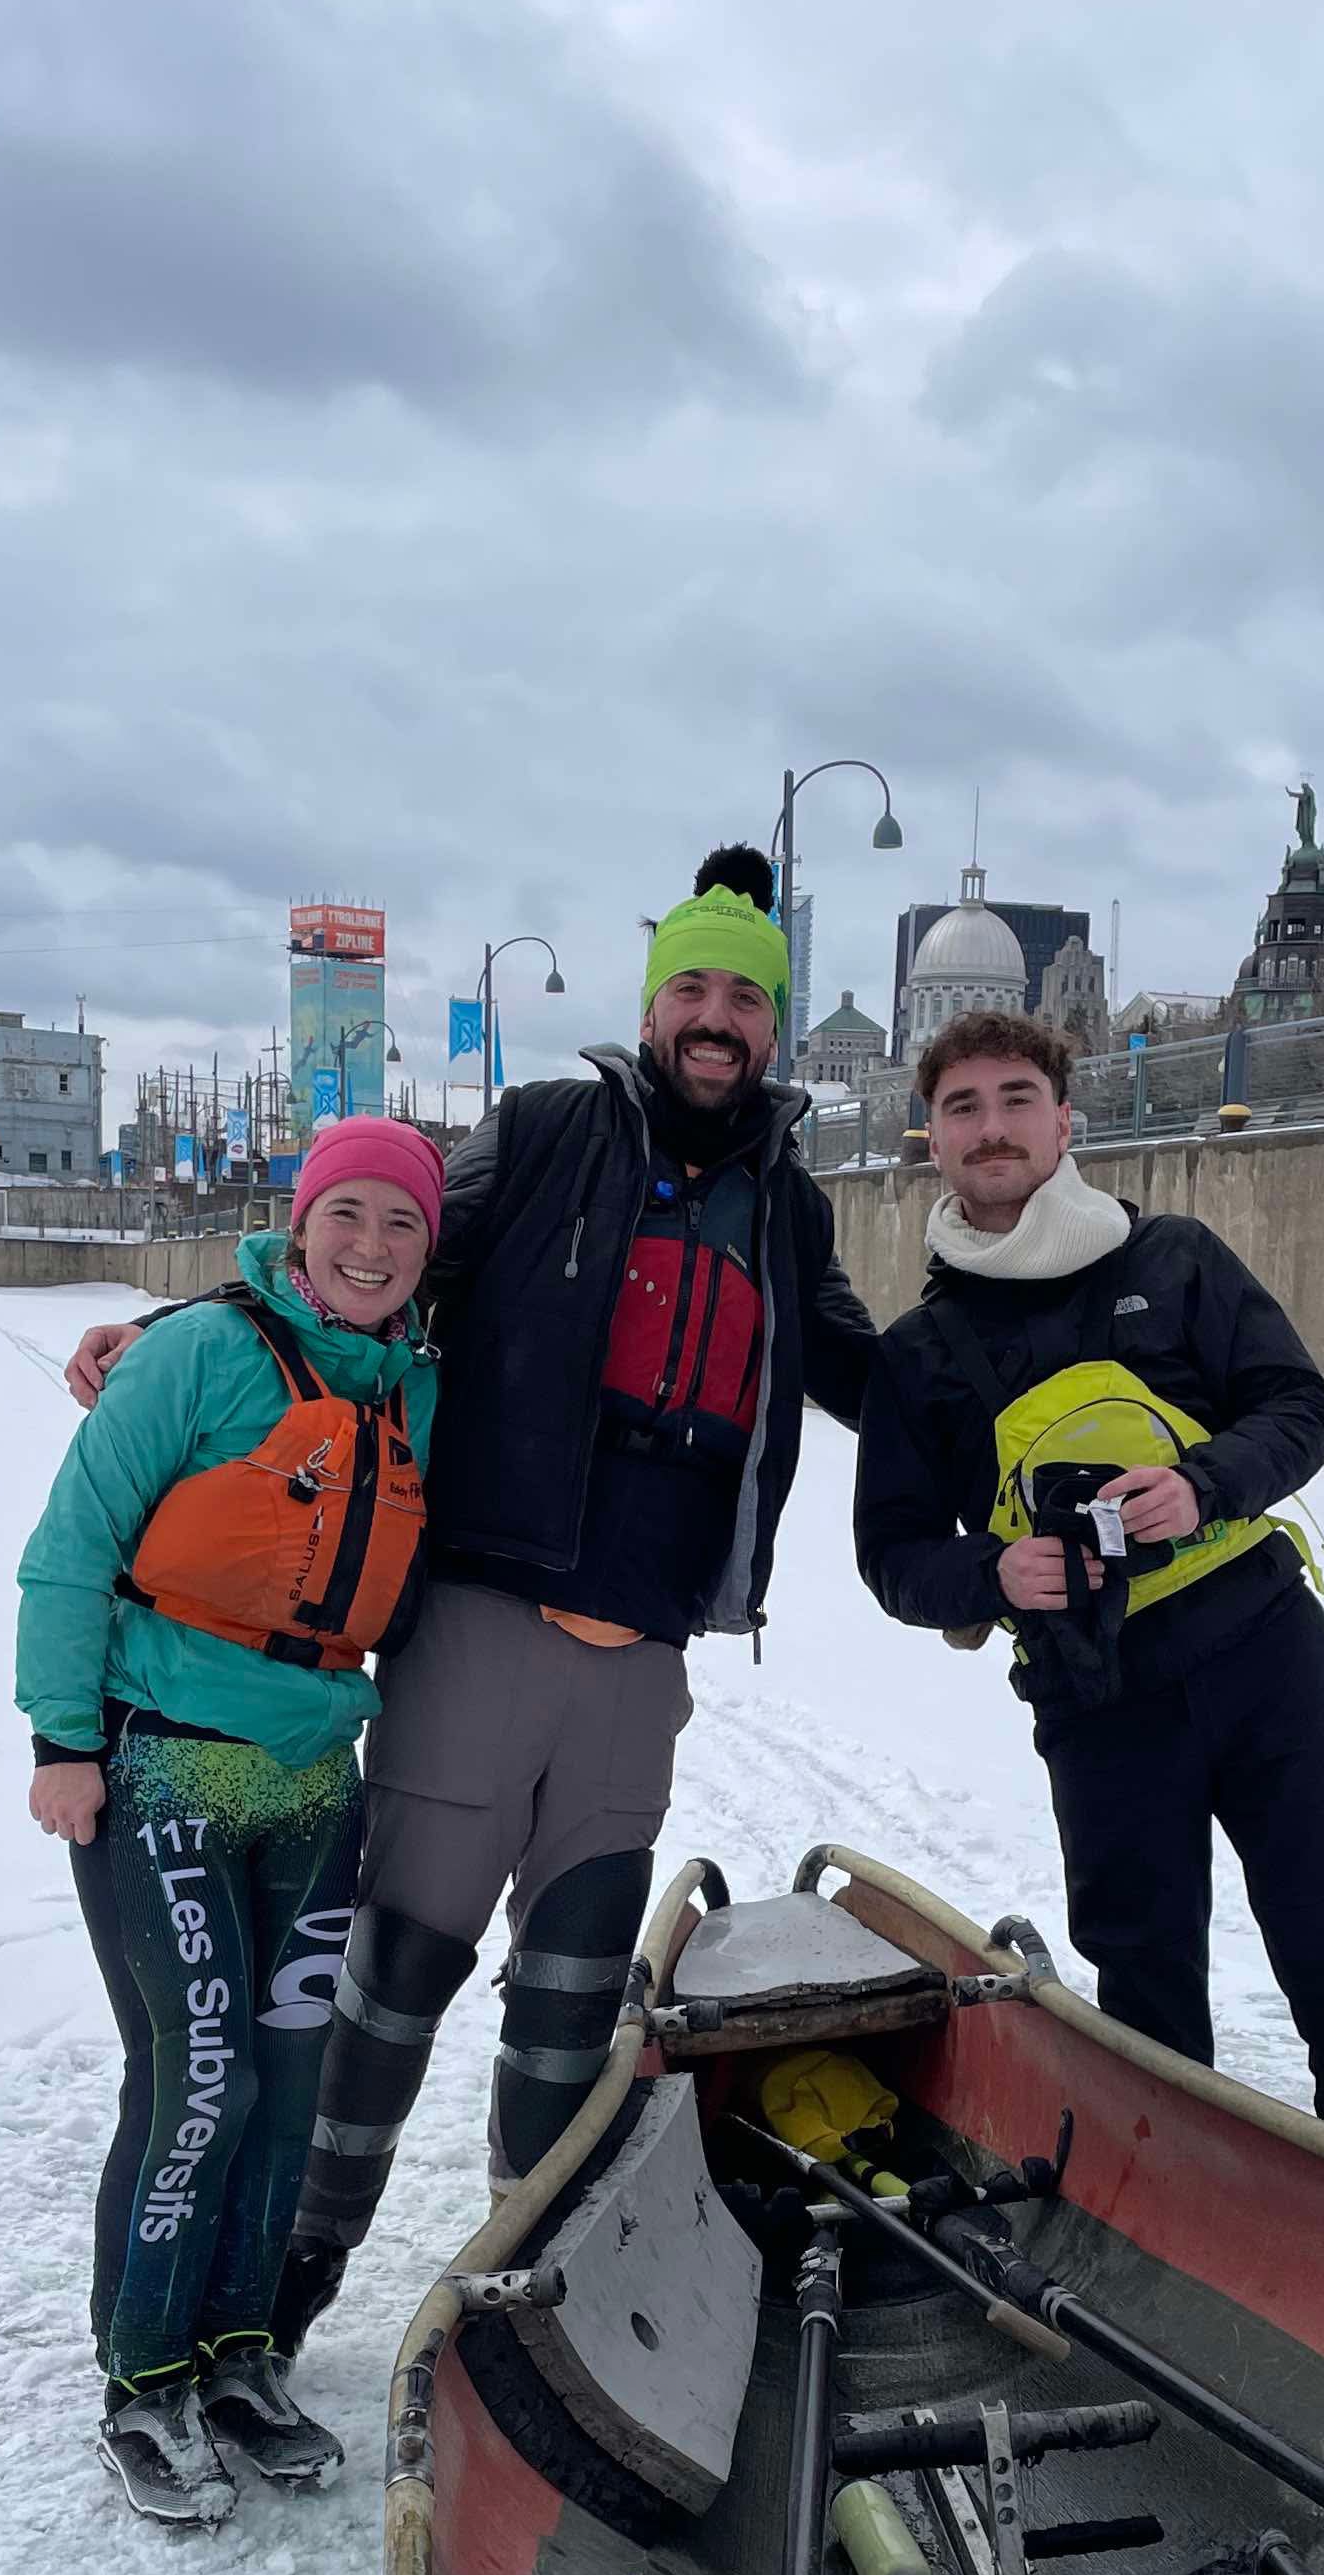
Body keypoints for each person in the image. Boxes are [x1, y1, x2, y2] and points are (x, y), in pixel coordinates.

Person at [64, 847, 879, 2350]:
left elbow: (865, 1372)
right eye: (690, 989)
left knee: (572, 1998)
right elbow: (377, 1262)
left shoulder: (787, 1204)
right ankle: (294, 2276)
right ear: (653, 1011)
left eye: (743, 999)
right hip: (488, 1633)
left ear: (772, 1028)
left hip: (640, 1670)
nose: (716, 1019)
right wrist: (182, 1328)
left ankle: (531, 2286)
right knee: (396, 1978)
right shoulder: (553, 1130)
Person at [852, 1007, 1324, 2170]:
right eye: (962, 1106)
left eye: (1016, 1098)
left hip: (1264, 1658)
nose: (992, 1127)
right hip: (1097, 1693)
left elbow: (1298, 1407)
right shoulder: (920, 1351)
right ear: (930, 1137)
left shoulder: (1172, 1259)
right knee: (1149, 1993)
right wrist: (997, 1570)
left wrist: (1203, 1483)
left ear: (1065, 1118)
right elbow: (892, 1552)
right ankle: (1186, 2237)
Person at [18, 1120, 442, 2520]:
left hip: (315, 1781)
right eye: (349, 1215)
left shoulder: (417, 1392)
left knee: (289, 2091)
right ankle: (144, 2373)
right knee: (200, 2082)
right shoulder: (197, 1354)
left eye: (402, 1225)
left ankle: (242, 2353)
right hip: (164, 1772)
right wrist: (63, 1742)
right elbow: (71, 1552)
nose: (371, 1247)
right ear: (302, 1219)